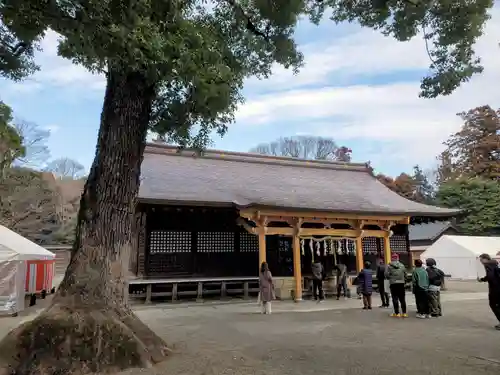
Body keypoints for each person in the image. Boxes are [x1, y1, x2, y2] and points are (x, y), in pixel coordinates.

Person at [477, 253, 500, 330]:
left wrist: (484, 279)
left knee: (493, 304)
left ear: (485, 258)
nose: (481, 261)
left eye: (481, 259)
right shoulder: (495, 263)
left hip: (495, 289)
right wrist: (483, 279)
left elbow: (490, 276)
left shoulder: (488, 264)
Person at [385, 253, 408, 318]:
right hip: (401, 283)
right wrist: (404, 280)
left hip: (393, 284)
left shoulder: (389, 266)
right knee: (402, 299)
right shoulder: (402, 265)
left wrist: (391, 278)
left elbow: (386, 274)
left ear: (392, 258)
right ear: (398, 258)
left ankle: (397, 313)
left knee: (395, 298)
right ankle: (404, 313)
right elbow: (405, 274)